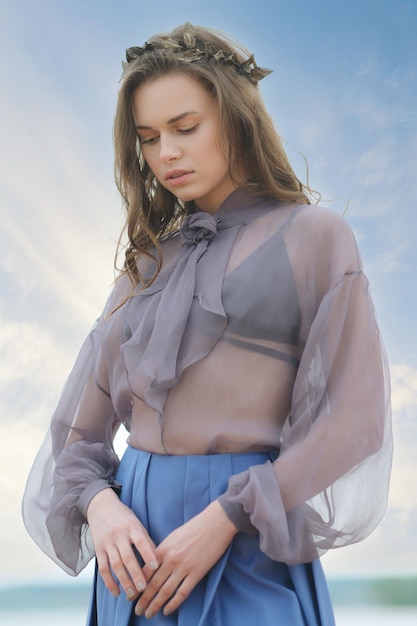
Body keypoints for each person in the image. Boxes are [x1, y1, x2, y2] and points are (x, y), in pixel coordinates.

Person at [22, 22, 392, 626]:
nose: (166, 152)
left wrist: (226, 518)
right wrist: (100, 508)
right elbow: (79, 435)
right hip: (133, 560)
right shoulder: (144, 265)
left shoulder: (314, 237)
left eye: (185, 128)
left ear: (237, 118)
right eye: (148, 138)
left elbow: (354, 420)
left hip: (247, 540)